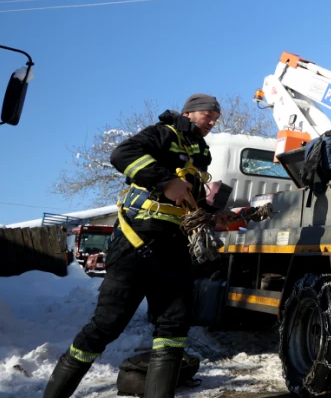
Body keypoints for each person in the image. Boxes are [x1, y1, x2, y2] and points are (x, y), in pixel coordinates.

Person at [43, 94, 221, 398]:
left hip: (174, 244)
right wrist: (165, 181)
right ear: (190, 114)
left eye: (216, 117)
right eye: (209, 115)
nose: (214, 121)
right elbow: (122, 154)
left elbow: (190, 200)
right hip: (137, 239)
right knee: (106, 325)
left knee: (174, 329)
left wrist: (216, 215)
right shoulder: (163, 133)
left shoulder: (199, 152)